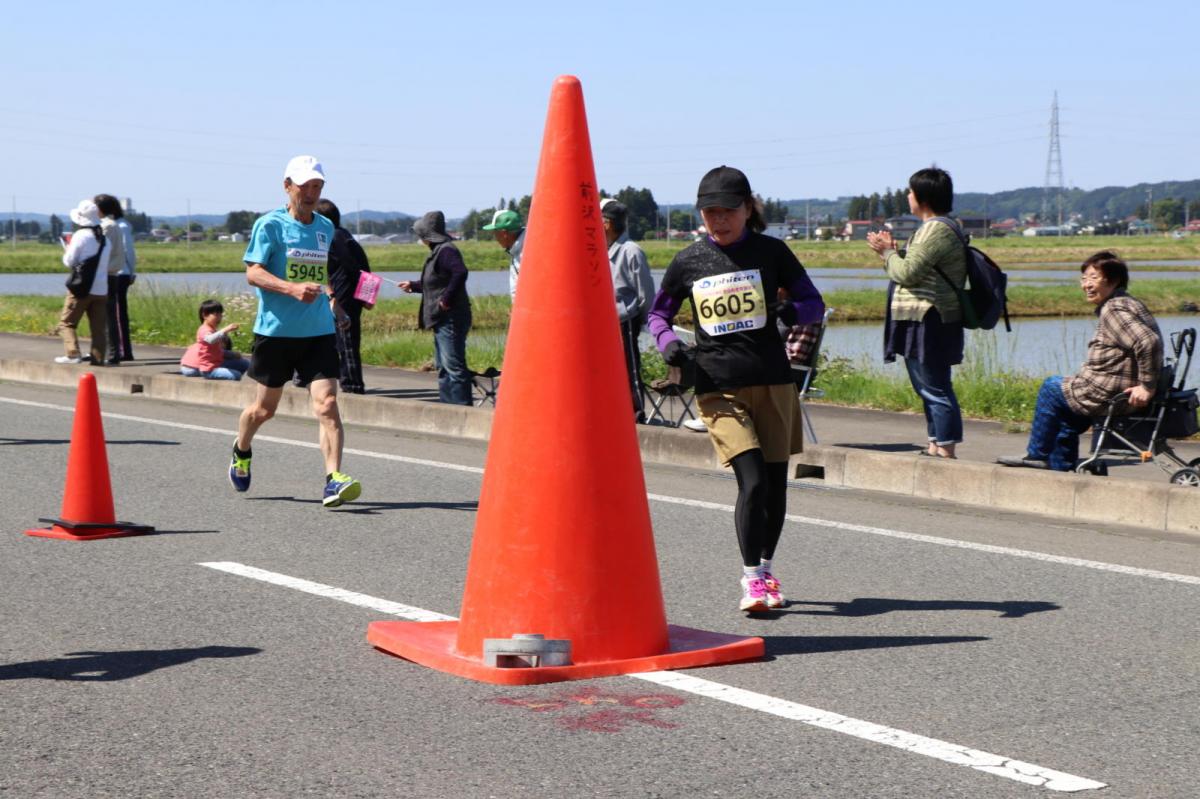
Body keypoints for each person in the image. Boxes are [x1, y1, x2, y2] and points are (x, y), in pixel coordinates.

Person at [648, 165, 824, 613]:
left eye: (728, 210)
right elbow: (658, 315)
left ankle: (765, 569)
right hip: (718, 386)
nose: (719, 220)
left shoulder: (772, 252)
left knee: (776, 487)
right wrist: (669, 346)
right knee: (752, 481)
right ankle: (751, 580)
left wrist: (788, 308)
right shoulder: (689, 260)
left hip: (773, 381)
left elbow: (812, 302)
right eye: (710, 212)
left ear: (749, 208)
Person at [229, 155, 362, 509]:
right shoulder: (269, 226)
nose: (311, 193)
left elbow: (320, 276)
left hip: (317, 331)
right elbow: (253, 273)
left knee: (328, 404)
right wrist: (290, 288)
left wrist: (335, 304)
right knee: (263, 410)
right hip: (276, 332)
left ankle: (333, 479)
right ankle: (242, 449)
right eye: (305, 186)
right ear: (287, 186)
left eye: (317, 187)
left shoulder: (325, 228)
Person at [998, 251, 1162, 471]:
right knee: (1065, 415)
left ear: (1113, 280)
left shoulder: (1114, 309)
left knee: (1051, 387)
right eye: (1084, 278)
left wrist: (1147, 386)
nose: (1086, 284)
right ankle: (1061, 467)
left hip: (1109, 393)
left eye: (1094, 278)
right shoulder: (1129, 303)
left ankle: (1037, 454)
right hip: (1112, 389)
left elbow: (1148, 341)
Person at [866, 167, 967, 459]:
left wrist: (886, 254)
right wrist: (894, 253)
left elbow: (907, 273)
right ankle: (935, 444)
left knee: (935, 385)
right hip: (922, 317)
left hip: (929, 317)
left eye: (911, 192)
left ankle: (945, 448)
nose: (908, 196)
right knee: (927, 385)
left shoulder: (935, 229)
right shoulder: (934, 228)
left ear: (922, 197)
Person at [399, 211, 473, 406]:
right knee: (443, 366)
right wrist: (413, 286)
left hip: (451, 318)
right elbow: (436, 282)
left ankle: (462, 410)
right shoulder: (439, 251)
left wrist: (446, 300)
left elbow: (460, 272)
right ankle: (448, 409)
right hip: (442, 318)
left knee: (453, 367)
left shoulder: (446, 250)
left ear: (426, 235)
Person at [601, 198, 655, 422]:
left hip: (626, 318)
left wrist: (640, 318)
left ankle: (637, 412)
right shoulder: (603, 248)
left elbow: (646, 293)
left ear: (608, 224)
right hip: (606, 320)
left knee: (630, 368)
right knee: (609, 369)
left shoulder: (631, 250)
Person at [315, 199, 373, 394]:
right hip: (350, 299)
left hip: (341, 300)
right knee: (343, 344)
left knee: (345, 345)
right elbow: (366, 269)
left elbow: (350, 269)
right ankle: (348, 384)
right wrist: (368, 298)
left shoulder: (333, 238)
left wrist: (332, 296)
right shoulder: (346, 236)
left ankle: (352, 386)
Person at [55, 199, 110, 365]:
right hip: (101, 290)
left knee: (67, 323)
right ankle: (98, 358)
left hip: (81, 289)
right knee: (98, 329)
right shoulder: (105, 240)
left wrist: (67, 249)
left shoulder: (80, 236)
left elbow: (69, 261)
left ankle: (73, 354)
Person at [94, 194, 136, 364]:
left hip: (120, 273)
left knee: (117, 313)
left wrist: (132, 271)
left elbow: (128, 251)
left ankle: (122, 350)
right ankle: (123, 350)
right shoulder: (113, 224)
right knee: (117, 313)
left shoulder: (120, 225)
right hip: (117, 272)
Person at [180, 299, 251, 380]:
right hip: (207, 369)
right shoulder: (204, 330)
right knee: (236, 375)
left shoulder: (212, 330)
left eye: (221, 315)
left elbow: (218, 351)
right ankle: (225, 378)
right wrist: (226, 329)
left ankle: (225, 375)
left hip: (213, 364)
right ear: (204, 315)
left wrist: (233, 354)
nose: (219, 318)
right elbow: (210, 340)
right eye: (216, 314)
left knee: (245, 363)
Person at [481, 209, 525, 300]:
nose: (495, 238)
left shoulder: (525, 253)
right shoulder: (518, 248)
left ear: (504, 233)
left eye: (495, 233)